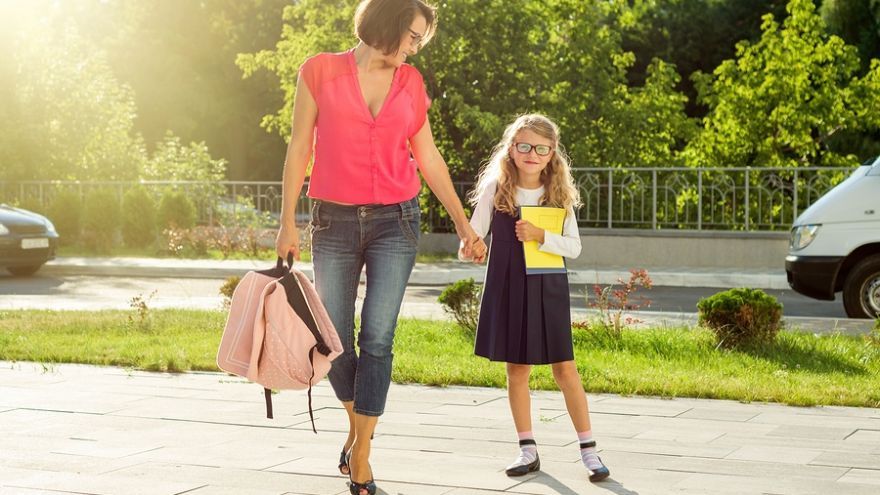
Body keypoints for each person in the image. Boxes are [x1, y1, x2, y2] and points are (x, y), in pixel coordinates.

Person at [273, 1, 484, 494]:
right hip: (334, 221)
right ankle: (357, 429)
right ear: (387, 26)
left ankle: (362, 451)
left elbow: (427, 155)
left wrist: (462, 223)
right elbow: (299, 148)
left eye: (419, 40)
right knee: (333, 338)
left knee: (380, 338)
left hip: (396, 220)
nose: (415, 47)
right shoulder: (319, 71)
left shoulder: (410, 83)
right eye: (412, 36)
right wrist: (286, 222)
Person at [461, 114, 611, 483]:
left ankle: (589, 451)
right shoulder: (496, 188)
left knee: (565, 369)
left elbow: (573, 248)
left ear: (551, 153)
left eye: (540, 148)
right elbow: (472, 237)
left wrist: (540, 234)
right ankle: (527, 448)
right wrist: (471, 248)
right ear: (512, 149)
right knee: (517, 370)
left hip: (548, 286)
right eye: (524, 146)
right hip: (508, 285)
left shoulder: (557, 194)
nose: (531, 154)